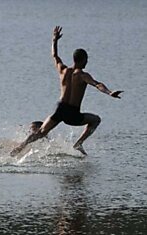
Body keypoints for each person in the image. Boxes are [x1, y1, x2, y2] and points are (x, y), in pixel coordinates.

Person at [11, 26, 123, 156]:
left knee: (41, 132)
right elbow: (97, 84)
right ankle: (78, 143)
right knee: (96, 120)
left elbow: (55, 56)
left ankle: (19, 148)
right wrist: (109, 93)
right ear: (82, 60)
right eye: (86, 60)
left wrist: (54, 40)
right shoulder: (83, 75)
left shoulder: (63, 70)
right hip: (72, 114)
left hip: (59, 108)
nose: (87, 62)